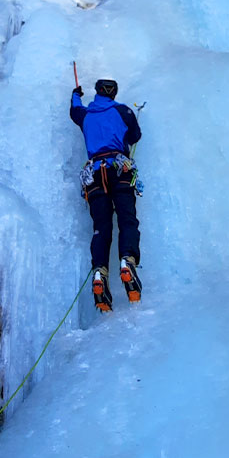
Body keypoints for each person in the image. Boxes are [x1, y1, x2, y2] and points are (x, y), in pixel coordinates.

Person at [70, 78, 142, 312]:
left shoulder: (86, 115)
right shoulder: (123, 111)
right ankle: (127, 261)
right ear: (114, 93)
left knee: (101, 228)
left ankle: (100, 272)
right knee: (127, 220)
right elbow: (135, 136)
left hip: (94, 175)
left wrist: (75, 94)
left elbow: (74, 110)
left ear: (98, 92)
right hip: (119, 169)